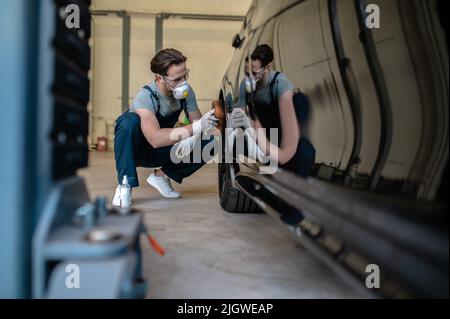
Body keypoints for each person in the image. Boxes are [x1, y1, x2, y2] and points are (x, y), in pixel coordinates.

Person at [113, 48, 218, 206]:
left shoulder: (186, 93)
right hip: (136, 151)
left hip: (162, 150)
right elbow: (155, 139)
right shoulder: (146, 96)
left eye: (185, 75)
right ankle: (124, 185)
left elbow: (199, 125)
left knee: (211, 142)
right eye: (176, 79)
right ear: (159, 78)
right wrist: (192, 129)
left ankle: (161, 176)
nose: (183, 83)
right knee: (128, 121)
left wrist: (215, 125)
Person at [230, 44, 316, 224]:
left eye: (255, 73)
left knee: (305, 151)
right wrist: (239, 117)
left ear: (268, 67)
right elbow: (241, 112)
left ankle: (294, 205)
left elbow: (286, 151)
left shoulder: (280, 83)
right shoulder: (246, 85)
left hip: (282, 134)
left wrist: (258, 132)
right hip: (261, 133)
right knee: (235, 147)